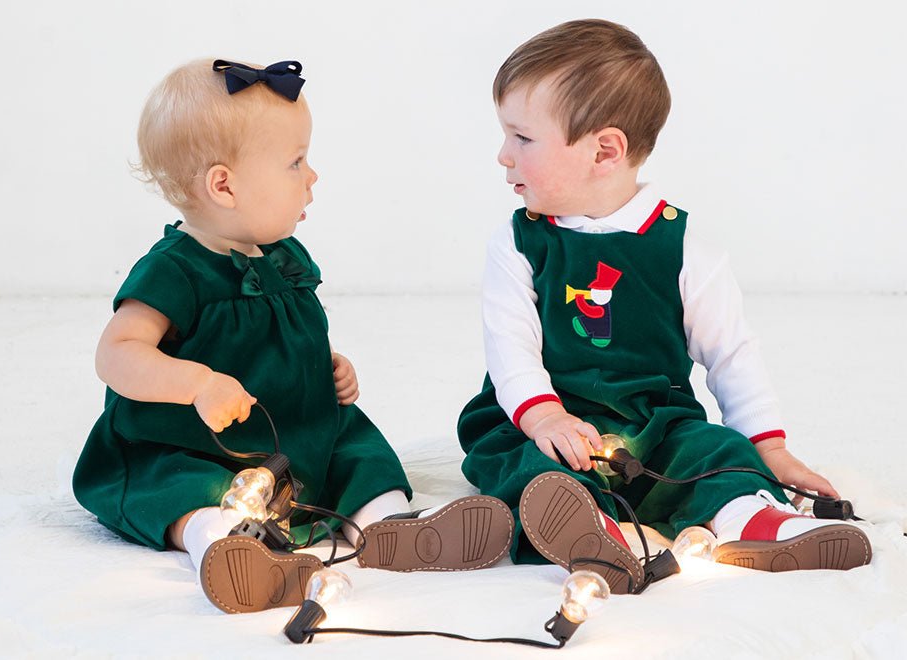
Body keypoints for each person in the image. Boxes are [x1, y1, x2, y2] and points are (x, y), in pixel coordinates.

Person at [73, 58, 512, 615]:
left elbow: (280, 337)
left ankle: (389, 525)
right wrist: (198, 384)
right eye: (296, 162)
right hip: (194, 440)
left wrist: (326, 363)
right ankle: (224, 541)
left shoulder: (284, 258)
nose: (313, 176)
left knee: (354, 446)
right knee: (177, 483)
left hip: (292, 431)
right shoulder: (174, 270)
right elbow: (116, 354)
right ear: (224, 185)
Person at [457, 20, 870, 594]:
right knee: (520, 461)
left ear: (605, 150)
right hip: (549, 419)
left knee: (716, 452)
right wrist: (543, 416)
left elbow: (731, 355)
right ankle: (592, 533)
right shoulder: (520, 242)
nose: (503, 155)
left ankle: (754, 521)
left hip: (653, 421)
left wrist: (768, 447)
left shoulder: (684, 251)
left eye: (522, 138)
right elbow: (510, 344)